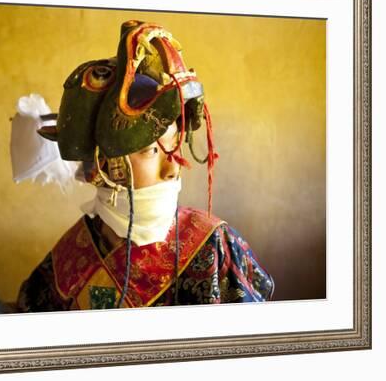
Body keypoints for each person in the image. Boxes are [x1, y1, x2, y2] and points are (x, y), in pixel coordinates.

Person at [14, 20, 274, 312]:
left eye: (174, 146)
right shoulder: (66, 260)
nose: (173, 169)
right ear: (102, 165)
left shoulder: (213, 246)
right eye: (152, 150)